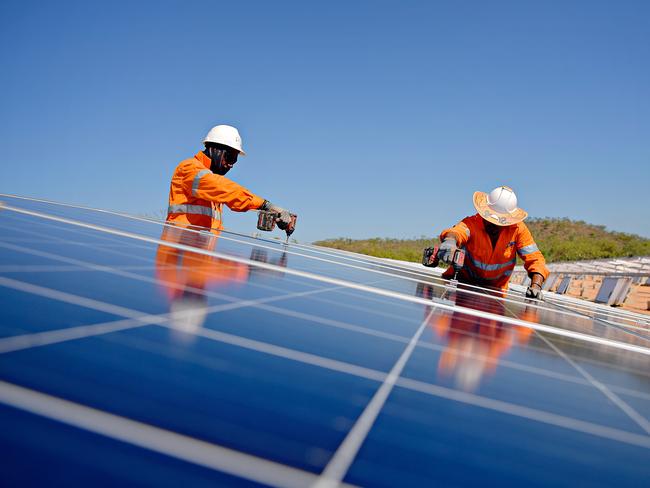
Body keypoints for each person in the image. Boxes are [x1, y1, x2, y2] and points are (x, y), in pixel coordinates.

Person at [166, 124, 293, 232]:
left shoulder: (212, 184)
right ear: (214, 148)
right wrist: (265, 205)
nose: (232, 164)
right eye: (230, 157)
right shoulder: (189, 168)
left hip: (199, 254)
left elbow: (214, 228)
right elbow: (226, 190)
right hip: (179, 256)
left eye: (235, 159)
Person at [436, 186, 549, 298]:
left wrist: (536, 285)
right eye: (490, 221)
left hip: (495, 292)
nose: (493, 225)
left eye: (499, 224)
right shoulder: (472, 223)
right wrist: (450, 241)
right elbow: (458, 232)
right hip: (459, 283)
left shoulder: (518, 230)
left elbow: (535, 259)